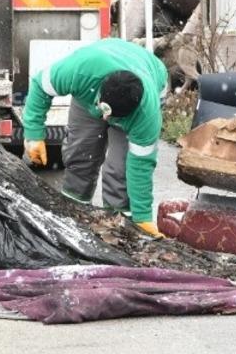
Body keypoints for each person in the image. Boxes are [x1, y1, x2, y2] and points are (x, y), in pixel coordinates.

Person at [21, 38, 167, 238]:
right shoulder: (80, 70)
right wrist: (34, 134)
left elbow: (141, 166)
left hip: (145, 78)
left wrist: (143, 216)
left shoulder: (146, 114)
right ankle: (72, 214)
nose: (106, 119)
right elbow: (40, 87)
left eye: (112, 117)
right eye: (105, 111)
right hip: (90, 91)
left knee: (120, 169)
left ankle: (118, 227)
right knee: (81, 153)